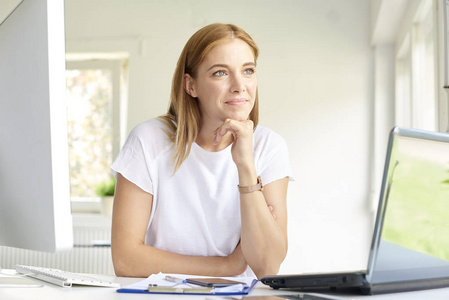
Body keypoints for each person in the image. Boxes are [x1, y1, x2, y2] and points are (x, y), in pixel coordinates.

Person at [111, 23, 293, 279]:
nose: (240, 86)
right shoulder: (148, 140)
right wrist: (227, 266)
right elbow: (126, 260)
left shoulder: (269, 147)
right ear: (190, 85)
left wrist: (246, 167)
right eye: (220, 73)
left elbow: (267, 267)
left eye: (248, 70)